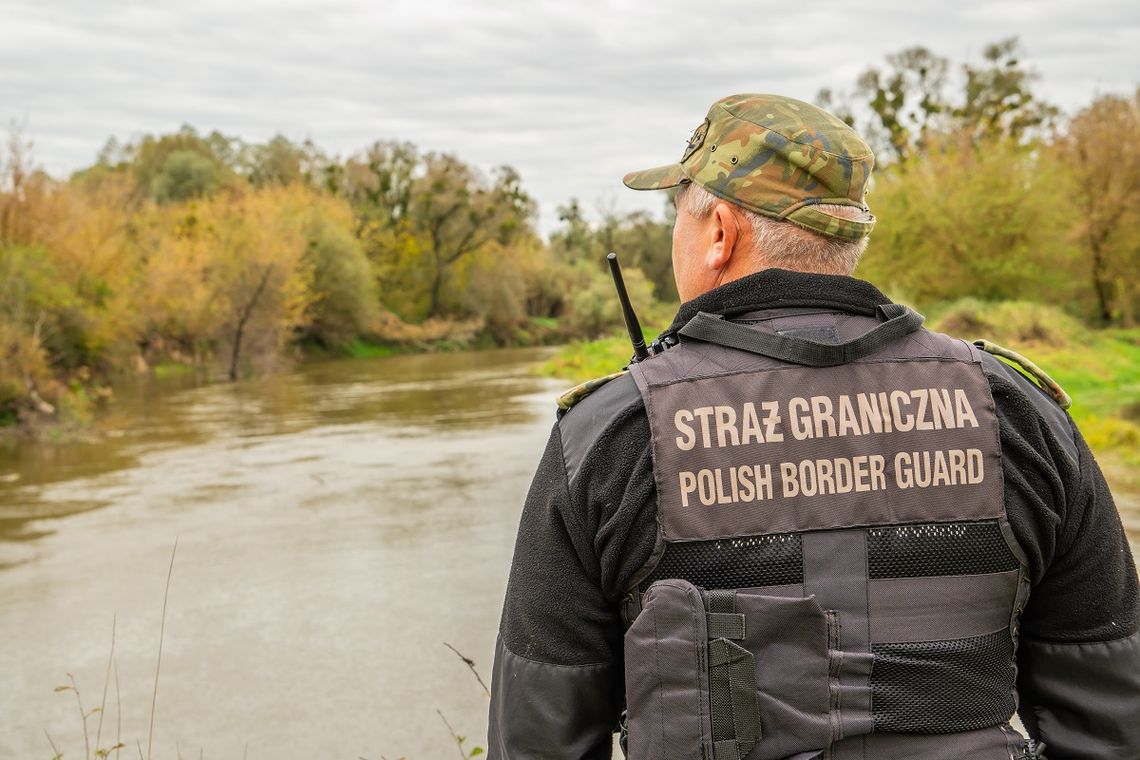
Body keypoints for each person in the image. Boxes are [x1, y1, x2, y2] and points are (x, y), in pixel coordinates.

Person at [487, 93, 1140, 760]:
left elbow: (538, 737)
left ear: (720, 232)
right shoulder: (1017, 413)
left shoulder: (611, 435)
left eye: (679, 213)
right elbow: (1114, 720)